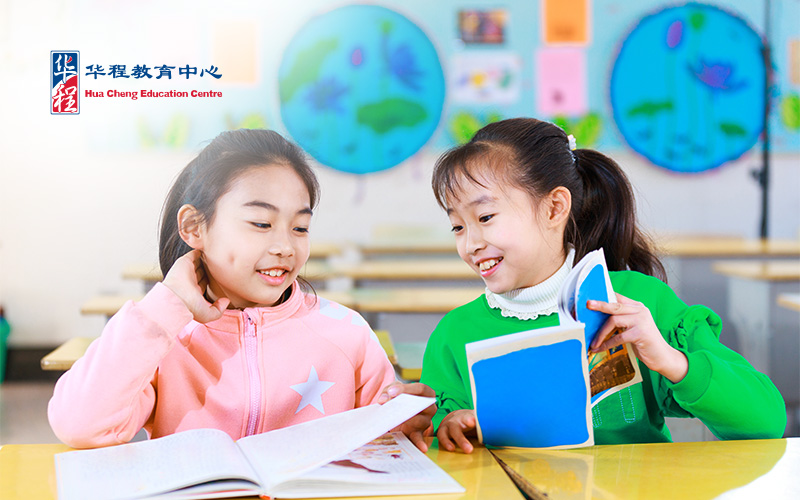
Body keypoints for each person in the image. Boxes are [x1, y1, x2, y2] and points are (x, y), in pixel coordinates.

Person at [49, 129, 434, 450]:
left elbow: (383, 443)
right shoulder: (162, 340)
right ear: (194, 228)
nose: (286, 245)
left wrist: (402, 423)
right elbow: (80, 425)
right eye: (261, 223)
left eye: (300, 227)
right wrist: (163, 308)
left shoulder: (346, 333)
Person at [419, 118, 786, 453]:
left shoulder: (639, 305)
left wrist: (670, 359)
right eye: (458, 226)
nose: (470, 243)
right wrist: (449, 429)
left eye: (485, 217)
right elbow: (439, 444)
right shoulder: (454, 334)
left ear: (553, 209)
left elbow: (765, 423)